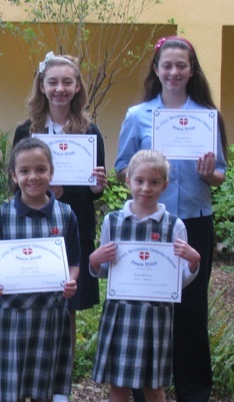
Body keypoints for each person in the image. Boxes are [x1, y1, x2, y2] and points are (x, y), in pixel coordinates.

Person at [114, 36, 228, 402]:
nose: (174, 71)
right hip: (149, 224)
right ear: (157, 69)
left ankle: (193, 392)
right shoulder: (137, 116)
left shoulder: (208, 116)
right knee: (147, 306)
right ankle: (143, 388)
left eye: (182, 65)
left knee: (192, 309)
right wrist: (147, 170)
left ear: (191, 70)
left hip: (194, 221)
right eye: (168, 65)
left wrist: (209, 172)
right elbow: (121, 168)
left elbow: (221, 174)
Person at [12, 51, 108, 402]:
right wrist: (41, 188)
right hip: (33, 232)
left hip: (73, 231)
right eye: (52, 81)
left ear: (78, 86)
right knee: (35, 304)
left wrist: (97, 187)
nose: (60, 88)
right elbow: (15, 183)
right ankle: (30, 380)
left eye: (67, 81)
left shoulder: (90, 131)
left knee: (66, 307)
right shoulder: (27, 130)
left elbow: (94, 191)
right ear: (42, 85)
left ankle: (60, 388)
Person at [90, 149, 200, 402]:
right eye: (139, 181)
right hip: (121, 312)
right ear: (127, 181)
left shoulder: (174, 226)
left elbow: (177, 280)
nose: (146, 188)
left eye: (154, 182)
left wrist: (193, 263)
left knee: (154, 387)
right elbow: (107, 270)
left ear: (165, 185)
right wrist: (94, 262)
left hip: (156, 314)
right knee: (118, 385)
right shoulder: (112, 222)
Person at [0, 138, 81, 402]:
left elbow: (74, 261)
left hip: (50, 314)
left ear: (51, 171)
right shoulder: (3, 215)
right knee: (10, 388)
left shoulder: (66, 215)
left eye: (40, 169)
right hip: (12, 314)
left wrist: (70, 281)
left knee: (43, 386)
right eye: (24, 171)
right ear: (14, 175)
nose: (33, 177)